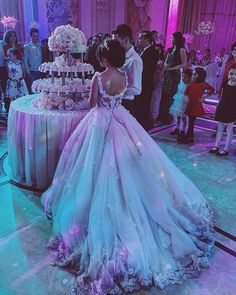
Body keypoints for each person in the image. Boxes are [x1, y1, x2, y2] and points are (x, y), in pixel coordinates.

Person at [41, 39, 214, 295]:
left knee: (93, 168)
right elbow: (122, 97)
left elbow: (92, 104)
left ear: (103, 58)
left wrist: (99, 101)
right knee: (132, 166)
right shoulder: (124, 75)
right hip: (121, 121)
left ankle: (94, 213)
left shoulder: (99, 77)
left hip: (100, 124)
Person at [112, 24, 143, 117]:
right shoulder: (121, 56)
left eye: (116, 42)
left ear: (125, 40)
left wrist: (114, 92)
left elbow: (136, 89)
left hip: (126, 103)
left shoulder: (134, 60)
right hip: (117, 102)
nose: (113, 45)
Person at [159, 32, 187, 124]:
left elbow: (184, 64)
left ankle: (168, 117)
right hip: (167, 74)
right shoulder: (170, 49)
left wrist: (172, 68)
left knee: (171, 95)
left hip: (174, 74)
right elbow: (166, 61)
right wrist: (164, 70)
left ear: (177, 39)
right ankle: (162, 115)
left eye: (172, 38)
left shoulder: (181, 50)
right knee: (164, 94)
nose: (171, 39)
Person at [209, 64, 236, 156]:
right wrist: (217, 106)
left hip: (232, 109)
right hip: (222, 107)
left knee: (229, 129)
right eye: (231, 73)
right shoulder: (225, 82)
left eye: (235, 74)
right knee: (220, 127)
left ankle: (226, 149)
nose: (233, 76)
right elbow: (222, 96)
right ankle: (216, 145)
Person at [135, 31, 159, 130]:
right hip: (142, 82)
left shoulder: (152, 51)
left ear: (147, 40)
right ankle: (142, 124)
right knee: (141, 105)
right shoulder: (143, 51)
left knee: (144, 105)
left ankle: (144, 126)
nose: (138, 40)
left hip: (145, 83)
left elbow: (148, 70)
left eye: (140, 38)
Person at [184, 68, 214, 143]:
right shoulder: (191, 83)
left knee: (191, 121)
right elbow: (186, 92)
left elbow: (212, 90)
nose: (193, 76)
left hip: (196, 106)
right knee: (190, 121)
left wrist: (204, 97)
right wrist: (186, 97)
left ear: (199, 76)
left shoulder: (203, 84)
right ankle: (190, 135)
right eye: (193, 74)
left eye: (195, 74)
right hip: (189, 104)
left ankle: (189, 136)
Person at [169, 68, 192, 142]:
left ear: (189, 77)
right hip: (178, 101)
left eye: (185, 77)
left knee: (183, 117)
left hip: (185, 102)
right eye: (182, 76)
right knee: (178, 115)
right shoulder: (180, 83)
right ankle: (177, 128)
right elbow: (178, 91)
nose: (183, 78)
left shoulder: (189, 85)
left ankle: (183, 130)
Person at [5, 48, 28, 112]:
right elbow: (8, 73)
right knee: (12, 99)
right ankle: (13, 112)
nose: (8, 57)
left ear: (15, 55)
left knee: (21, 98)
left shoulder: (20, 63)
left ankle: (21, 111)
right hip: (11, 83)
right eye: (8, 55)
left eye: (10, 55)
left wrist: (19, 80)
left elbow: (24, 73)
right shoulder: (8, 63)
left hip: (20, 82)